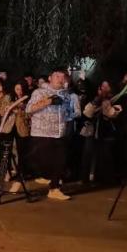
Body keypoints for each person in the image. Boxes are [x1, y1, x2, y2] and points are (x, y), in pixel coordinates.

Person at [26, 68, 76, 200]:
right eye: (57, 76)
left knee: (60, 161)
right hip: (42, 133)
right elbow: (29, 109)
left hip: (59, 133)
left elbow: (69, 113)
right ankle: (24, 178)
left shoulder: (65, 94)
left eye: (62, 77)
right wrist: (48, 101)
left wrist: (69, 118)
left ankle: (54, 189)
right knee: (41, 161)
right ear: (50, 78)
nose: (60, 79)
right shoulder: (39, 92)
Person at [11, 81, 32, 174]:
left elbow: (30, 115)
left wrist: (22, 110)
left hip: (23, 128)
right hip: (11, 128)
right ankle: (15, 168)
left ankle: (23, 171)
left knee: (23, 151)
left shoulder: (28, 100)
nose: (19, 91)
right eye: (17, 89)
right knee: (14, 150)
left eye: (21, 89)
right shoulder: (11, 99)